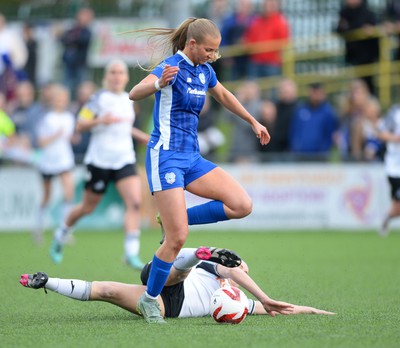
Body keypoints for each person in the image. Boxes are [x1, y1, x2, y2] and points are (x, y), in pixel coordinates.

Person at [128, 17, 271, 323]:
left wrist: (253, 121)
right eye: (209, 49)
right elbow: (134, 93)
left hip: (192, 158)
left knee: (242, 205)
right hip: (165, 157)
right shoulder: (171, 67)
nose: (212, 55)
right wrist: (158, 83)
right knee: (177, 238)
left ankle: (169, 217)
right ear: (192, 44)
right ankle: (149, 300)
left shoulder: (205, 71)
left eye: (216, 50)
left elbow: (225, 96)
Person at [19, 246, 335, 320]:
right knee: (182, 270)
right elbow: (236, 271)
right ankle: (194, 252)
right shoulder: (220, 271)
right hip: (169, 278)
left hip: (166, 305)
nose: (239, 269)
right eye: (237, 266)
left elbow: (284, 310)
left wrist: (317, 312)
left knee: (107, 290)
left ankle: (47, 280)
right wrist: (265, 296)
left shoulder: (240, 303)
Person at [51, 59, 149, 270]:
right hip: (100, 161)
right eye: (112, 72)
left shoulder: (130, 99)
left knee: (134, 203)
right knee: (87, 207)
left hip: (124, 159)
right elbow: (80, 124)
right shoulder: (97, 99)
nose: (116, 76)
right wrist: (99, 121)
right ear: (107, 77)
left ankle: (131, 254)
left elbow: (124, 126)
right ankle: (61, 234)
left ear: (125, 77)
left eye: (120, 73)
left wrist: (143, 137)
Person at [35, 84, 75, 244]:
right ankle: (38, 227)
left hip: (64, 159)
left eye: (63, 99)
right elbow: (41, 142)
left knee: (68, 194)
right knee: (47, 196)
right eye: (58, 99)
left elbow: (69, 137)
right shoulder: (46, 119)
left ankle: (65, 231)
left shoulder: (69, 118)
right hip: (48, 160)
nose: (61, 102)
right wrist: (55, 135)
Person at [335, 0, 380, 95]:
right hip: (352, 57)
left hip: (367, 56)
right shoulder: (344, 13)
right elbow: (340, 29)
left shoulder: (368, 13)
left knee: (367, 83)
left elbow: (374, 31)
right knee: (353, 85)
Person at [289, 82, 339, 162]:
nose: (315, 95)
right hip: (300, 156)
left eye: (317, 92)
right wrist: (294, 148)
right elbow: (294, 131)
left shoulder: (328, 113)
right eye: (313, 92)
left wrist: (323, 152)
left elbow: (329, 136)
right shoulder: (300, 110)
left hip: (319, 158)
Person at [242, 0, 290, 79]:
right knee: (253, 87)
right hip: (256, 61)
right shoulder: (256, 20)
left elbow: (284, 42)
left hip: (271, 62)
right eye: (266, 5)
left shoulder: (279, 22)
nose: (267, 7)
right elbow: (249, 37)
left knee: (270, 87)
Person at [376, 101, 400, 237]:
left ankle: (386, 218)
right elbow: (381, 133)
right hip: (395, 168)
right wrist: (396, 138)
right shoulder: (395, 112)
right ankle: (386, 218)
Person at [59, 7, 94, 97]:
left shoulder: (87, 32)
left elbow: (82, 40)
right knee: (66, 87)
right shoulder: (72, 29)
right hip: (69, 64)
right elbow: (63, 39)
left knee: (82, 88)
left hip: (80, 64)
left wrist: (71, 40)